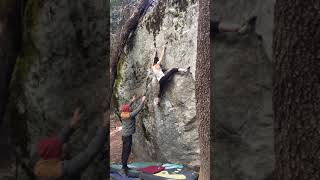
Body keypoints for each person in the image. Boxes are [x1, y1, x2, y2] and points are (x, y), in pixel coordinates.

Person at [31, 108, 108, 180]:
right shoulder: (66, 170)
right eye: (61, 148)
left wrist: (71, 125)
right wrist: (105, 126)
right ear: (56, 156)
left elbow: (57, 143)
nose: (64, 145)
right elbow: (88, 154)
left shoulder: (42, 163)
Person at [119, 95, 146, 175]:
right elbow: (138, 109)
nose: (130, 108)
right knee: (126, 152)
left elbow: (127, 106)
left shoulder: (123, 113)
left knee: (126, 151)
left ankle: (125, 166)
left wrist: (133, 100)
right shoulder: (129, 116)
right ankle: (123, 169)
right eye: (129, 109)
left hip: (126, 135)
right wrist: (143, 100)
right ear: (127, 111)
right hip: (127, 137)